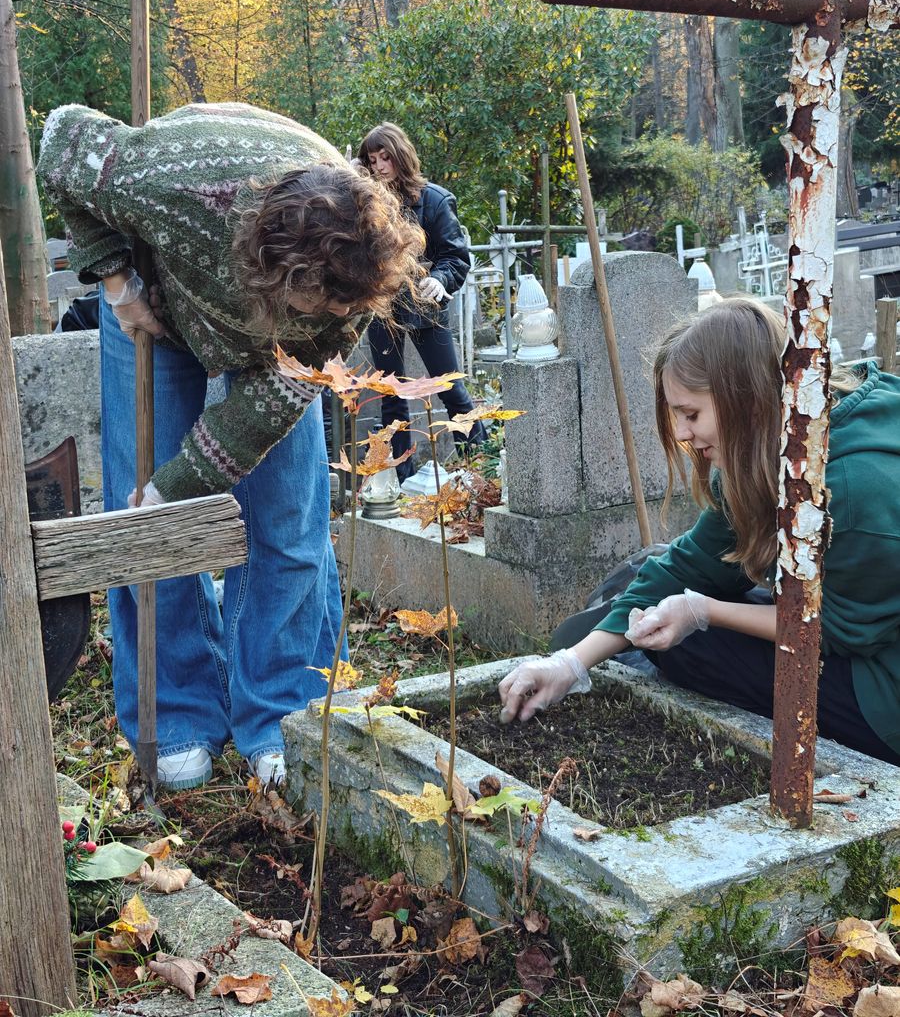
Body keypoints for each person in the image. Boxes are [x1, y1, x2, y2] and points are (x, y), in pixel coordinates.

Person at [38, 101, 424, 790]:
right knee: (148, 523)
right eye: (327, 306)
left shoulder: (359, 267)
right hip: (156, 306)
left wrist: (181, 480)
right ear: (281, 271)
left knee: (286, 520)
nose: (343, 320)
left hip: (272, 349)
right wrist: (117, 280)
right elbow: (64, 141)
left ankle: (280, 709)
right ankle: (179, 713)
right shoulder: (167, 178)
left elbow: (270, 402)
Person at [498, 296, 900, 767]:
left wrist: (705, 611)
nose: (683, 434)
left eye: (691, 414)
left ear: (745, 398)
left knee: (689, 642)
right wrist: (569, 663)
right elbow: (690, 564)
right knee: (647, 578)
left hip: (883, 692)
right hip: (849, 639)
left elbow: (833, 629)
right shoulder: (775, 449)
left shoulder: (851, 488)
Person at [357, 122, 485, 479]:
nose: (380, 166)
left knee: (451, 390)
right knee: (391, 397)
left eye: (386, 157)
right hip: (381, 307)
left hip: (425, 305)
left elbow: (456, 257)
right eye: (372, 159)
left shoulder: (434, 200)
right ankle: (401, 479)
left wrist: (439, 280)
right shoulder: (367, 204)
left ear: (400, 155)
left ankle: (482, 466)